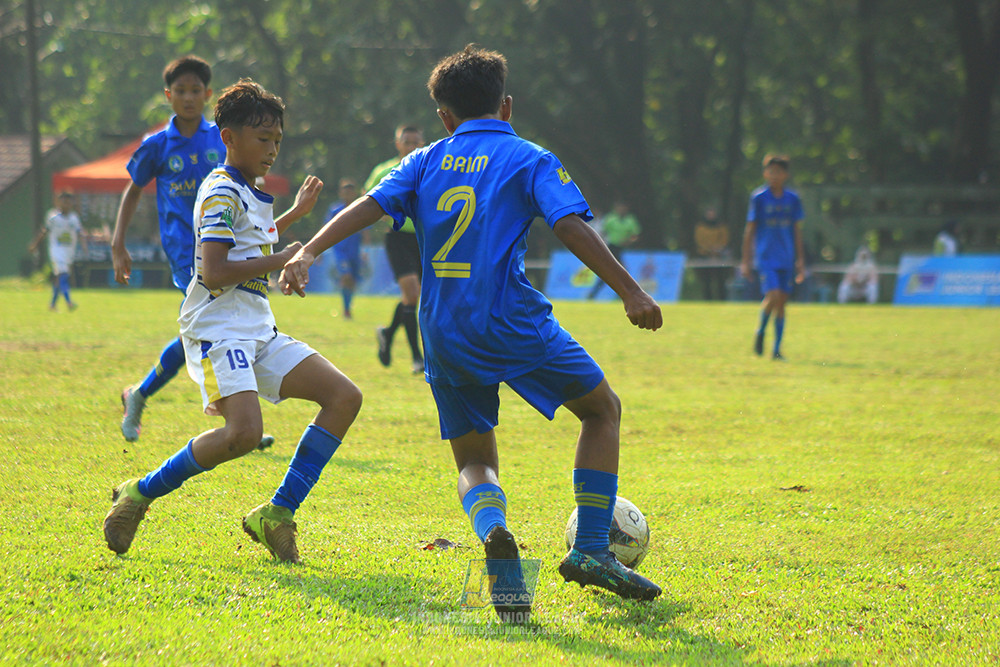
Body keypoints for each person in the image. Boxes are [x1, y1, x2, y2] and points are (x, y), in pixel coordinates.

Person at [279, 45, 664, 622]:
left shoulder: (425, 160)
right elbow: (569, 225)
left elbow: (369, 206)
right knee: (601, 409)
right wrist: (630, 291)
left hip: (443, 331)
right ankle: (590, 550)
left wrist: (308, 250)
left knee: (475, 459)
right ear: (506, 105)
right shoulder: (529, 156)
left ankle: (494, 529)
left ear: (443, 116)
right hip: (510, 320)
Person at [103, 79, 361, 564]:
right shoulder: (221, 192)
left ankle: (277, 514)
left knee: (344, 396)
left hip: (258, 328)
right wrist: (282, 256)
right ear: (229, 138)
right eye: (263, 139)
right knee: (242, 435)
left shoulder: (249, 191)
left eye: (278, 141)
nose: (272, 150)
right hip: (219, 332)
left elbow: (252, 244)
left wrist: (291, 220)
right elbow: (215, 270)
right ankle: (138, 493)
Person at [366, 124, 425, 374]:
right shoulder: (385, 170)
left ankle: (387, 333)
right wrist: (387, 217)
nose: (411, 146)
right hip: (398, 238)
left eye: (416, 142)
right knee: (412, 295)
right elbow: (367, 200)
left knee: (414, 297)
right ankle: (417, 358)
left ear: (422, 143)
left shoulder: (429, 167)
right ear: (397, 143)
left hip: (423, 239)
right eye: (407, 141)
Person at [740, 154, 805, 360]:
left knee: (782, 302)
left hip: (786, 257)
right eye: (770, 171)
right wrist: (746, 259)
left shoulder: (792, 199)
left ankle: (776, 349)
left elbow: (796, 230)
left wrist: (800, 259)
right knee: (774, 295)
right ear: (765, 173)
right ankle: (760, 331)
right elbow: (750, 229)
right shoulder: (759, 198)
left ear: (785, 174)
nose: (774, 175)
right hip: (766, 256)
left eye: (778, 171)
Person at [30, 190, 87, 311]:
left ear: (72, 203)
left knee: (59, 277)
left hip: (69, 252)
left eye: (68, 201)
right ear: (59, 202)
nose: (66, 204)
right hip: (56, 250)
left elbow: (80, 232)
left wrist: (84, 245)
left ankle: (52, 304)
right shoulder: (53, 217)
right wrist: (35, 244)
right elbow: (44, 231)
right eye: (63, 201)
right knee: (63, 275)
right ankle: (69, 302)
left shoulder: (74, 218)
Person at [326, 178, 365, 319]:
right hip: (340, 251)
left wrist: (365, 250)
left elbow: (365, 231)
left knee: (353, 281)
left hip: (355, 251)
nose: (347, 194)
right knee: (346, 276)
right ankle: (346, 309)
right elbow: (326, 230)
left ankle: (348, 306)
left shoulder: (360, 208)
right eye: (345, 191)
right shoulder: (335, 210)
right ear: (341, 193)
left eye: (350, 191)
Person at [588, 200, 640, 299]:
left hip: (621, 248)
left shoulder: (630, 220)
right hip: (611, 247)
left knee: (610, 271)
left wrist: (629, 241)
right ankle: (622, 294)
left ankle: (598, 293)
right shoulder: (611, 218)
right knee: (619, 270)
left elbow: (635, 235)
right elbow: (603, 232)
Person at [693, 207, 730, 301]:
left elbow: (724, 240)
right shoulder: (700, 227)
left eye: (712, 213)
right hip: (704, 255)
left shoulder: (721, 226)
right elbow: (699, 241)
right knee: (706, 279)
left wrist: (717, 249)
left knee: (720, 279)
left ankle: (722, 298)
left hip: (719, 255)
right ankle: (707, 299)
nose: (711, 215)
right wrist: (709, 250)